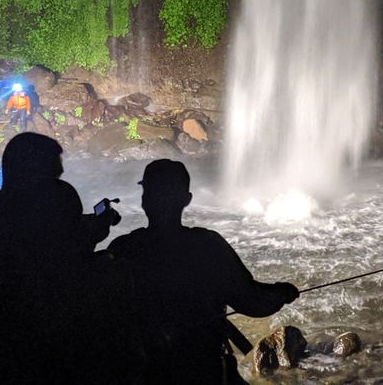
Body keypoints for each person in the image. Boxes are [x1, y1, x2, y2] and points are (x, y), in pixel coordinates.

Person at [0, 132, 143, 384]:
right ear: (41, 165)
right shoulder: (58, 193)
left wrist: (95, 223)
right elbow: (72, 244)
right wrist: (102, 223)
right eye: (57, 163)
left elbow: (46, 235)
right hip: (56, 307)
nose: (62, 168)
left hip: (8, 308)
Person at [108, 159, 300, 384]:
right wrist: (282, 292)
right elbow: (252, 301)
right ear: (187, 200)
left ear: (145, 200)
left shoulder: (122, 250)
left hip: (145, 372)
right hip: (201, 370)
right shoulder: (208, 246)